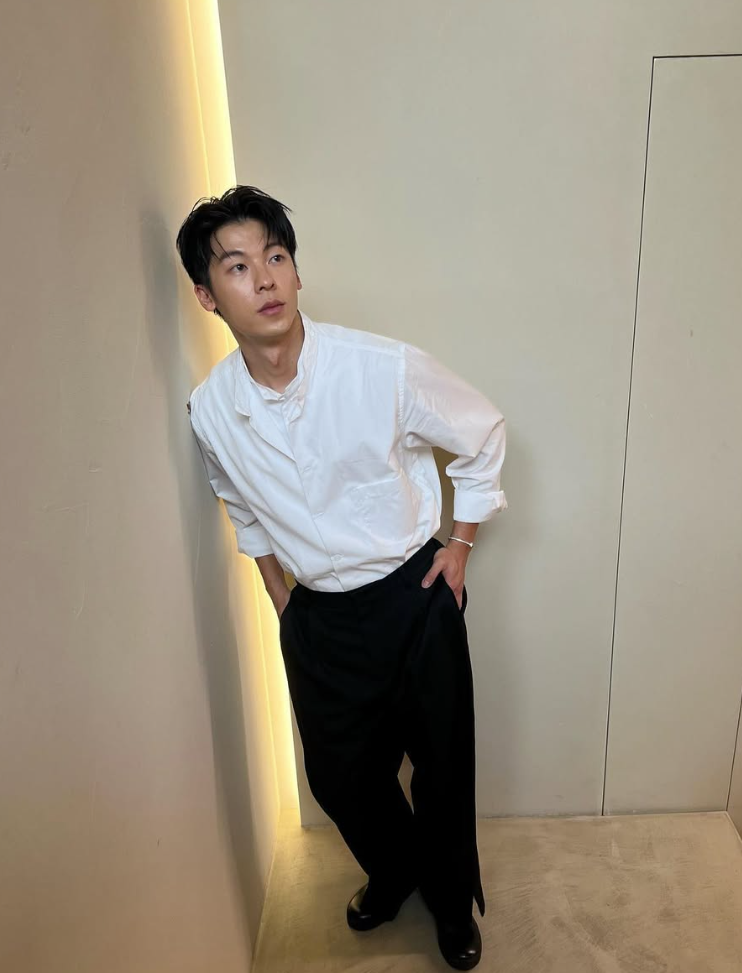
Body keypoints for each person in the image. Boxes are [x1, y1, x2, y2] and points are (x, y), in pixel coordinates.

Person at [176, 186, 507, 971]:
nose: (265, 278)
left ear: (295, 272)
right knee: (340, 776)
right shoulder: (211, 408)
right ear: (206, 295)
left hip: (411, 596)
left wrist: (459, 544)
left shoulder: (380, 367)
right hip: (318, 614)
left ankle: (450, 902)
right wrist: (280, 596)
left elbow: (482, 430)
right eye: (237, 266)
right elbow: (239, 503)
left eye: (276, 257)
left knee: (442, 765)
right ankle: (395, 870)